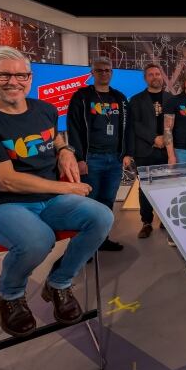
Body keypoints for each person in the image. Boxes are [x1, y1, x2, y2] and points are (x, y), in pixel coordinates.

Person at [0, 46, 113, 337]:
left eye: (21, 75)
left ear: (30, 78)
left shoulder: (45, 109)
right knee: (39, 240)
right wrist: (67, 187)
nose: (13, 81)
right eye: (4, 74)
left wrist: (65, 150)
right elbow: (7, 181)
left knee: (102, 217)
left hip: (47, 201)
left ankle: (59, 283)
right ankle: (10, 295)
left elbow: (54, 138)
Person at [66, 56, 128, 251]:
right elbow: (73, 128)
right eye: (99, 70)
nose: (104, 73)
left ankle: (101, 239)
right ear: (92, 73)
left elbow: (127, 128)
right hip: (91, 159)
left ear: (112, 72)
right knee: (89, 203)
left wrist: (125, 153)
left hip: (114, 159)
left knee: (107, 201)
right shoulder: (82, 97)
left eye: (107, 70)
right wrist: (79, 159)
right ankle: (84, 246)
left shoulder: (119, 97)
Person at [127, 63, 173, 240]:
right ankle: (146, 222)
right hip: (145, 150)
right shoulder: (136, 100)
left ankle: (166, 219)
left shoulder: (171, 98)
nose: (155, 77)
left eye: (157, 74)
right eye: (151, 75)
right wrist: (154, 138)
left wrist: (165, 140)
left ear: (162, 76)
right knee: (145, 188)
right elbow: (135, 125)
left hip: (166, 151)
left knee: (166, 187)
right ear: (146, 78)